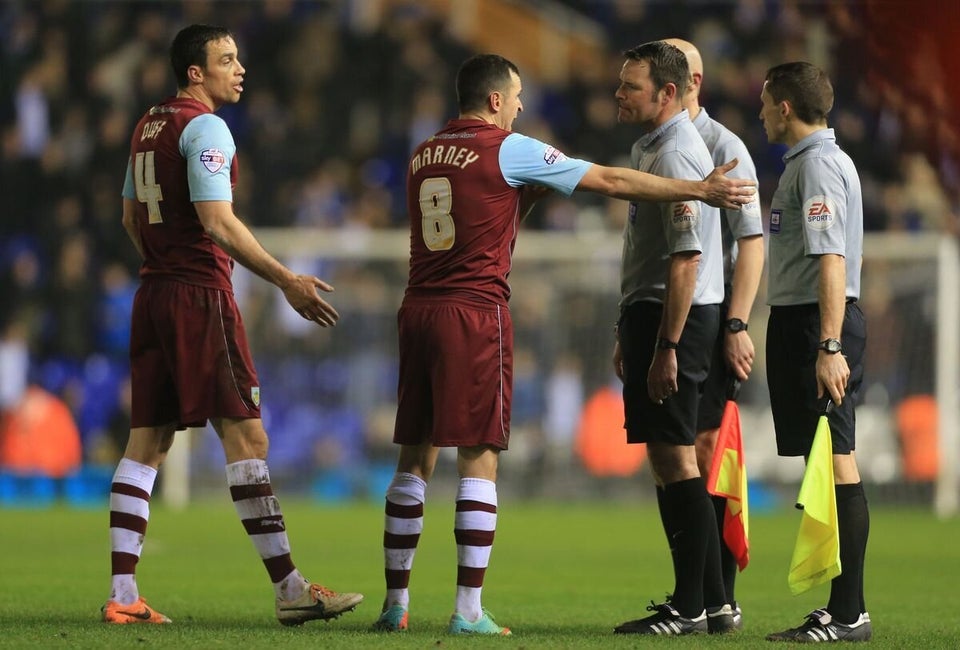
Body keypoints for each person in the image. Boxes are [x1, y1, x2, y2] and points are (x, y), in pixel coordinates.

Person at [370, 52, 756, 636]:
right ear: (496, 99)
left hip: (417, 308)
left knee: (414, 457)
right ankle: (468, 611)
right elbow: (609, 180)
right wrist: (697, 190)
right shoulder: (510, 147)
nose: (523, 106)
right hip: (475, 312)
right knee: (479, 454)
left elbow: (487, 207)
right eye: (518, 95)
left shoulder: (424, 153)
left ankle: (394, 605)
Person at [101, 24, 363, 626]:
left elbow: (127, 216)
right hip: (199, 296)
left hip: (154, 292)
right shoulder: (206, 126)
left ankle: (122, 597)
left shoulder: (147, 124)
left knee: (147, 445)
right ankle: (291, 590)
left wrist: (163, 261)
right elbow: (217, 221)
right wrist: (286, 279)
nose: (239, 68)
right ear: (196, 72)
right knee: (248, 440)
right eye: (226, 59)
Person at [608, 40, 732, 636]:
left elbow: (686, 259)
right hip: (650, 314)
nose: (618, 95)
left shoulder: (679, 153)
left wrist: (666, 346)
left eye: (630, 87)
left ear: (668, 93)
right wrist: (626, 328)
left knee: (677, 456)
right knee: (667, 458)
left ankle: (695, 605)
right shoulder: (650, 146)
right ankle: (705, 602)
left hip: (672, 317)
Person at [760, 61, 872, 643]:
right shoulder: (808, 164)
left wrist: (829, 345)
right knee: (821, 466)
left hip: (817, 324)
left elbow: (831, 262)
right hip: (802, 320)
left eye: (764, 102)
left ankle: (850, 613)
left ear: (784, 107)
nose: (759, 113)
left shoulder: (821, 167)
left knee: (836, 461)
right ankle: (842, 609)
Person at [664, 38, 764, 630]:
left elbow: (751, 242)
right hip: (679, 316)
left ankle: (719, 594)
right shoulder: (657, 142)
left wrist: (736, 322)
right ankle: (702, 596)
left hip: (710, 318)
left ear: (692, 82)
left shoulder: (725, 148)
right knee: (680, 453)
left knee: (706, 451)